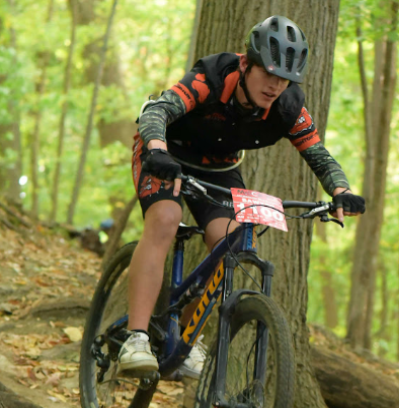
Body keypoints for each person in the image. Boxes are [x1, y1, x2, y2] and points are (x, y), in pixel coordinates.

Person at [117, 15, 366, 378]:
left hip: (218, 168)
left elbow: (318, 154)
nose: (276, 85)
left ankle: (184, 341)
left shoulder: (288, 106)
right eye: (268, 73)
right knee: (165, 220)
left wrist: (341, 191)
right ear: (247, 64)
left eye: (285, 79)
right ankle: (135, 338)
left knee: (230, 243)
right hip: (165, 152)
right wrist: (156, 147)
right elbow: (158, 109)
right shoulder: (213, 76)